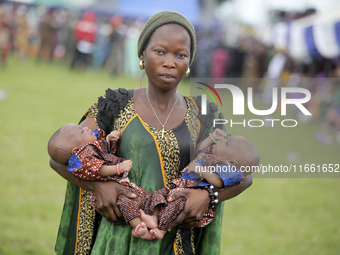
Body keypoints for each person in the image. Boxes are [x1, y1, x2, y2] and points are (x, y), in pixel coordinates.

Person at [50, 11, 253, 255]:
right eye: (160, 51)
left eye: (181, 54)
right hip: (115, 242)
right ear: (142, 55)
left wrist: (209, 196)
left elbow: (244, 174)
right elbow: (61, 159)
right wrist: (97, 186)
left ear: (189, 62)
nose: (170, 62)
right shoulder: (115, 105)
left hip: (175, 242)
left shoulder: (204, 115)